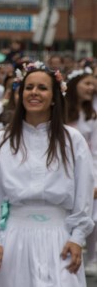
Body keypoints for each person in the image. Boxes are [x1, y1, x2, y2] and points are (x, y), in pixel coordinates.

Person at [0, 62, 95, 287]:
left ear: (54, 96)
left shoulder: (73, 140)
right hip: (13, 236)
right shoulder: (1, 140)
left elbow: (84, 193)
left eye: (42, 88)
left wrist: (77, 237)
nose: (34, 93)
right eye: (29, 87)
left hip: (59, 236)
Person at [63, 67, 97, 275]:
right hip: (63, 168)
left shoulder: (90, 115)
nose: (91, 88)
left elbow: (94, 150)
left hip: (85, 169)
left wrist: (93, 179)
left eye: (93, 84)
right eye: (87, 83)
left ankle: (93, 257)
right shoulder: (62, 111)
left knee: (91, 213)